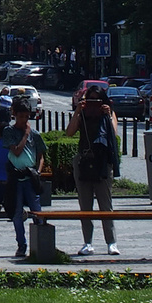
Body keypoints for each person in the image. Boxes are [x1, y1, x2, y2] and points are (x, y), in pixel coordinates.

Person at [65, 84, 119, 255]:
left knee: (106, 205)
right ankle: (87, 242)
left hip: (102, 162)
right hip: (84, 161)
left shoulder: (109, 114)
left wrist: (108, 114)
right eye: (91, 100)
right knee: (85, 205)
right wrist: (78, 111)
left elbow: (114, 133)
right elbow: (70, 132)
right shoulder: (82, 115)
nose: (94, 103)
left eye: (98, 100)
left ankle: (111, 242)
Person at [3, 98, 46, 258]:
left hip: (30, 176)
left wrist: (38, 171)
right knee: (17, 212)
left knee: (36, 210)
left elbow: (41, 156)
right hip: (15, 177)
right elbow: (16, 152)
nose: (24, 120)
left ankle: (41, 243)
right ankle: (21, 244)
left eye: (27, 117)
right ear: (15, 115)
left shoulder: (35, 135)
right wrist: (25, 134)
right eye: (21, 117)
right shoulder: (9, 131)